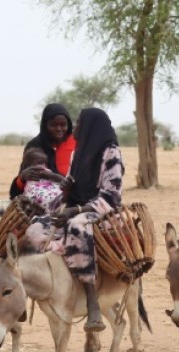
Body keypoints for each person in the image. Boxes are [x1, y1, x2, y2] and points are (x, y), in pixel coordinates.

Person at [49, 108, 123, 332]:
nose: (75, 129)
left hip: (103, 211)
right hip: (76, 206)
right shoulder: (77, 153)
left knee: (77, 226)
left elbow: (112, 196)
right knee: (38, 226)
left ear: (91, 126)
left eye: (79, 123)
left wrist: (76, 210)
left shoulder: (112, 153)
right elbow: (72, 181)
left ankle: (92, 303)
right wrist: (65, 190)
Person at [10, 103, 77, 199]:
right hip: (43, 200)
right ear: (45, 125)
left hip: (75, 198)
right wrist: (22, 178)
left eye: (63, 125)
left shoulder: (77, 143)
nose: (59, 129)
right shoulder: (35, 145)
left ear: (69, 125)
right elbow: (22, 184)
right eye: (53, 125)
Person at [20, 148, 65, 213]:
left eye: (45, 163)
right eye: (40, 163)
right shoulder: (30, 180)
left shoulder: (50, 175)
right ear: (28, 167)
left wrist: (52, 176)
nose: (44, 166)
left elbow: (63, 182)